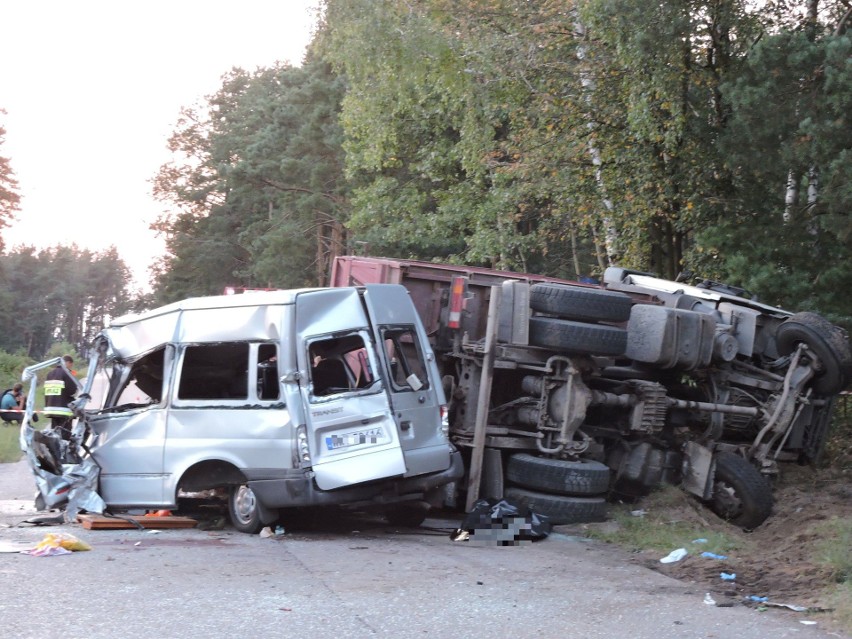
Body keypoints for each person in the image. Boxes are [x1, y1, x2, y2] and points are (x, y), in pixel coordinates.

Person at [43, 355, 78, 440]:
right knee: (65, 434)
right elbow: (72, 391)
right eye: (71, 364)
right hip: (63, 410)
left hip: (51, 408)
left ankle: (54, 450)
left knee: (54, 432)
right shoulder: (67, 373)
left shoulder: (50, 374)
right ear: (68, 363)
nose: (71, 367)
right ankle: (65, 451)